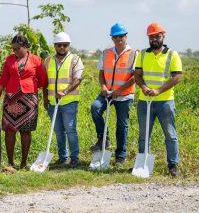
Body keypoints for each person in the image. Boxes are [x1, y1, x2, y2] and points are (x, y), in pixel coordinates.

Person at [0, 35, 47, 170]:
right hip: (11, 98)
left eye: (17, 49)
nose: (15, 51)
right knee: (9, 130)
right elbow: (2, 82)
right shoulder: (9, 60)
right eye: (13, 49)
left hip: (29, 99)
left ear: (25, 47)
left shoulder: (36, 60)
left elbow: (43, 81)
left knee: (26, 131)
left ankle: (23, 163)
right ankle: (11, 163)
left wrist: (43, 98)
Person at [134, 23, 183, 176]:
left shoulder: (172, 54)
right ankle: (142, 164)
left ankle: (173, 165)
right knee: (143, 135)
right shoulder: (142, 54)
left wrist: (159, 90)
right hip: (145, 101)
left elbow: (177, 77)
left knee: (170, 134)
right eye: (151, 36)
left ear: (163, 36)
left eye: (157, 36)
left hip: (165, 102)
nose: (154, 39)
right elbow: (137, 75)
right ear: (148, 38)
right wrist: (143, 87)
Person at [90, 23, 137, 164]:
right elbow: (101, 73)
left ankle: (120, 155)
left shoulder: (134, 54)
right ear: (112, 38)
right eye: (115, 36)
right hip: (107, 93)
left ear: (126, 36)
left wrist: (119, 91)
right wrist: (103, 86)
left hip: (124, 95)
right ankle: (104, 139)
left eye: (121, 36)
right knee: (95, 107)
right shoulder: (106, 52)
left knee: (122, 125)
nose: (118, 39)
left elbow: (135, 77)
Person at [43, 32, 84, 168]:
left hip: (69, 102)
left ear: (68, 45)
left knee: (70, 130)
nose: (62, 47)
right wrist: (44, 98)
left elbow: (78, 79)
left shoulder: (75, 59)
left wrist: (65, 92)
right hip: (52, 102)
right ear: (54, 45)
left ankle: (74, 157)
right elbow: (44, 82)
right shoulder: (48, 60)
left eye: (65, 45)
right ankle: (62, 157)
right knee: (58, 131)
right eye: (59, 45)